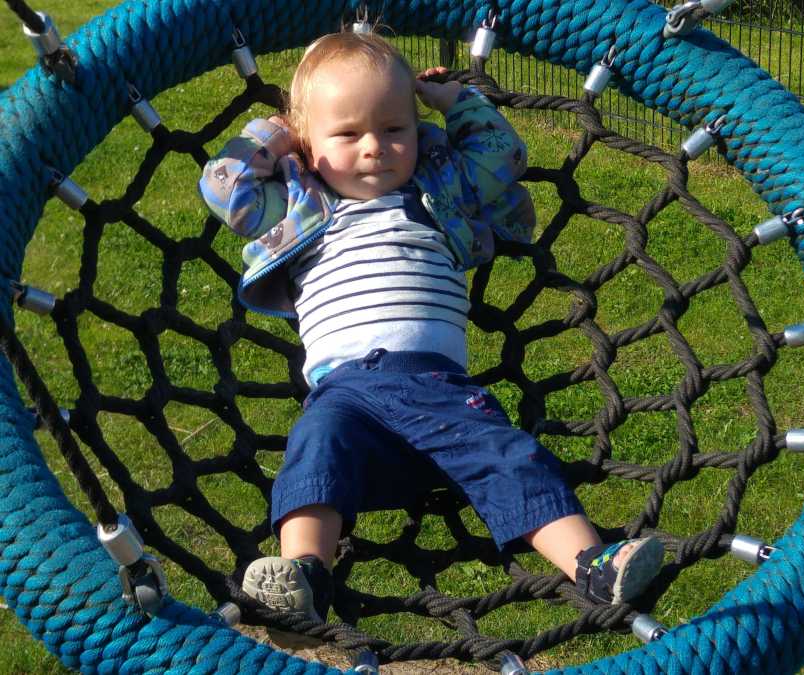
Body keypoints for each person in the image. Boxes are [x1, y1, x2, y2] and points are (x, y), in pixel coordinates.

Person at [198, 30, 663, 623]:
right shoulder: (296, 207)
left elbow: (502, 155)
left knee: (508, 453)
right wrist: (275, 132)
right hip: (345, 392)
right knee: (315, 447)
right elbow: (223, 186)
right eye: (347, 135)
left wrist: (455, 101)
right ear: (308, 144)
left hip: (437, 388)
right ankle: (304, 579)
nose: (376, 148)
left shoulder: (439, 192)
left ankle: (594, 566)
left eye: (396, 128)